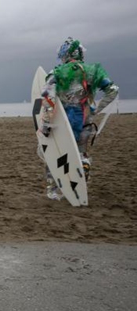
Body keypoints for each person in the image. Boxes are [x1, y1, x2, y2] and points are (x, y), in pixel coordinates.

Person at [39, 37, 118, 200]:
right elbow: (113, 90)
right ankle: (81, 177)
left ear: (65, 54)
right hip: (84, 119)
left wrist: (46, 122)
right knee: (79, 152)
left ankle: (53, 190)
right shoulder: (93, 71)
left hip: (61, 122)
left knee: (54, 153)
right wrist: (97, 109)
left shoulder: (57, 72)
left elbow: (47, 95)